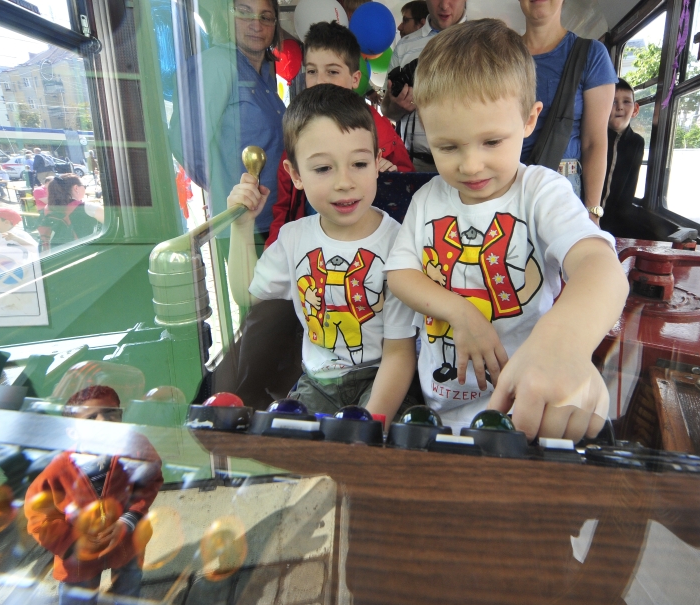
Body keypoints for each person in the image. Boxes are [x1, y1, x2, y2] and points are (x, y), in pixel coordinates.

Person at [385, 19, 628, 441]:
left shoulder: (539, 192)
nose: (471, 165)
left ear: (530, 119)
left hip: (524, 412)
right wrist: (460, 312)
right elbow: (401, 273)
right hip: (439, 406)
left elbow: (599, 267)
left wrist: (564, 342)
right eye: (447, 147)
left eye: (492, 142)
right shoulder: (429, 199)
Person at [226, 84, 420, 422]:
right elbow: (249, 296)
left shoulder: (398, 243)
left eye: (358, 163)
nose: (344, 182)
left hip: (381, 378)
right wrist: (241, 228)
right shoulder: (293, 239)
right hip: (317, 383)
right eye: (323, 169)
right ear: (296, 175)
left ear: (377, 164)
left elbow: (399, 354)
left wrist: (366, 430)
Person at [267, 21, 414, 247]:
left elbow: (406, 188)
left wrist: (390, 175)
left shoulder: (381, 131)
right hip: (308, 249)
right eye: (312, 71)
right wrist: (274, 248)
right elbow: (285, 204)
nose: (320, 81)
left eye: (332, 71)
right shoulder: (299, 129)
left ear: (355, 79)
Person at [25, 385, 163, 605]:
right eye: (91, 417)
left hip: (126, 538)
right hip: (79, 554)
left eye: (111, 412)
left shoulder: (135, 447)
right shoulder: (58, 470)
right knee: (77, 597)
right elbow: (38, 514)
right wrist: (70, 543)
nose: (103, 421)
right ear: (72, 431)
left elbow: (150, 480)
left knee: (128, 588)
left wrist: (129, 518)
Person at [168, 0, 285, 250]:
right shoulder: (216, 64)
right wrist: (226, 189)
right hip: (245, 224)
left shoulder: (265, 72)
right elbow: (186, 142)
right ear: (226, 18)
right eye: (243, 13)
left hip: (276, 218)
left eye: (265, 17)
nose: (256, 24)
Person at [518, 0, 617, 224]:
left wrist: (592, 212)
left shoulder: (591, 54)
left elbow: (594, 141)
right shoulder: (502, 56)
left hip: (564, 188)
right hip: (507, 184)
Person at [382, 0, 468, 172]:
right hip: (414, 165)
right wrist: (398, 106)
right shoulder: (405, 46)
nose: (444, 5)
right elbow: (386, 110)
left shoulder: (482, 42)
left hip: (466, 163)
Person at [600, 78, 644, 235]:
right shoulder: (594, 138)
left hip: (615, 224)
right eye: (613, 102)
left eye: (626, 102)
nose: (619, 107)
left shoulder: (636, 143)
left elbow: (628, 190)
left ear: (635, 109)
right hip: (587, 216)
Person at [39, 174, 99, 251]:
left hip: (55, 255)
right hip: (81, 253)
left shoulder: (47, 208)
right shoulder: (87, 207)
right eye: (85, 186)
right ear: (76, 188)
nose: (85, 188)